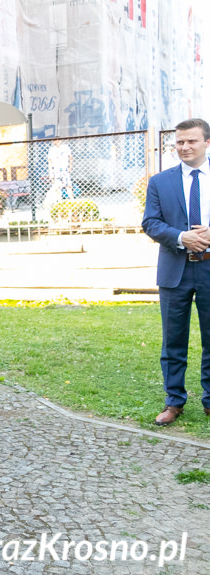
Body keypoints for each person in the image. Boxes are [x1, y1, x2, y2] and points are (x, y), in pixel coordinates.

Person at [142, 117, 210, 426]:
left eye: (191, 141)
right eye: (180, 142)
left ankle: (209, 401)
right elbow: (151, 223)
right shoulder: (160, 181)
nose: (184, 146)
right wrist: (182, 237)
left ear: (206, 143)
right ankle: (174, 401)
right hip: (174, 271)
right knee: (173, 341)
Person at [45, 138, 73, 209]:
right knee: (57, 187)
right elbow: (50, 162)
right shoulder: (52, 150)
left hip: (64, 169)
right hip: (56, 170)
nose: (57, 141)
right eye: (55, 140)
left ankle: (72, 201)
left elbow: (70, 157)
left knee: (68, 185)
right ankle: (58, 202)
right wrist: (51, 172)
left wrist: (70, 167)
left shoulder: (65, 147)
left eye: (59, 140)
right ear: (53, 141)